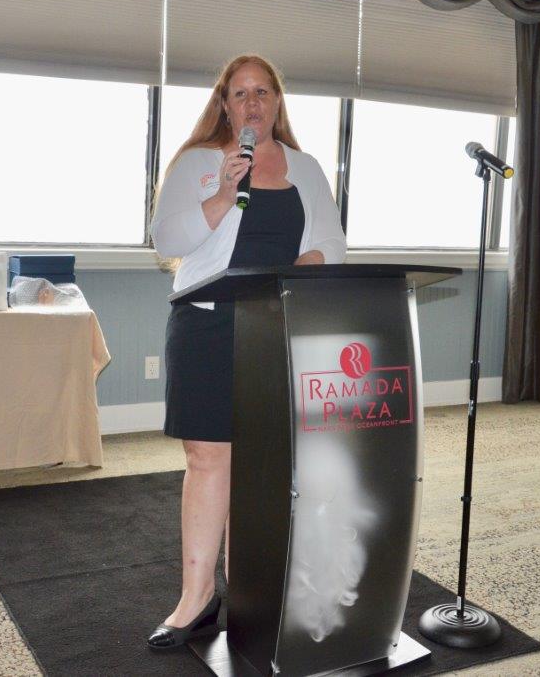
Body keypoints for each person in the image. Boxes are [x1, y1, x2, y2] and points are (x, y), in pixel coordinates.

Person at [147, 54, 347, 649]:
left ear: (278, 101)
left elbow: (331, 243)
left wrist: (296, 270)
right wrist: (225, 192)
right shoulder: (200, 161)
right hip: (206, 324)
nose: (252, 102)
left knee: (263, 463)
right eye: (240, 93)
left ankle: (253, 592)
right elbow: (168, 240)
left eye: (262, 91)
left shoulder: (306, 168)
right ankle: (196, 598)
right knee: (209, 457)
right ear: (225, 105)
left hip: (274, 325)